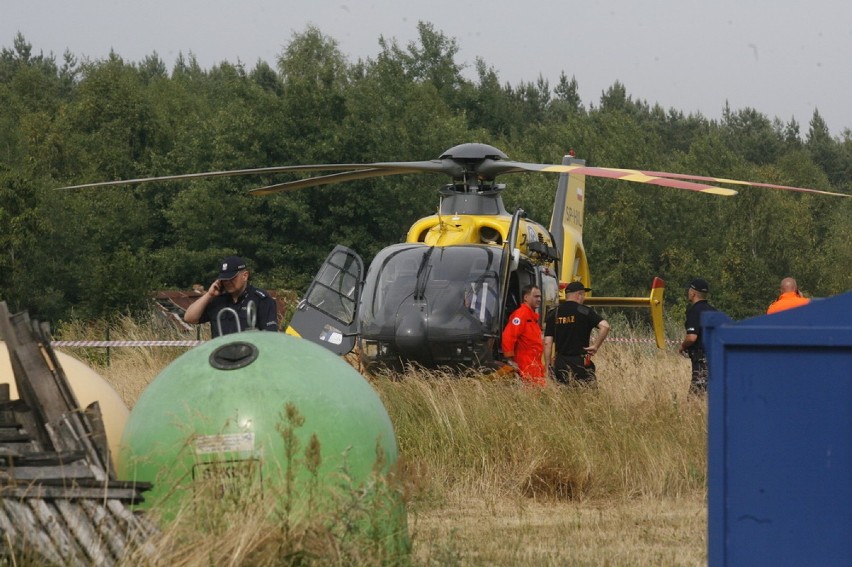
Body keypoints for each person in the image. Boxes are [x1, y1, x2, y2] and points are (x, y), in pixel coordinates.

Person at [184, 256, 279, 337]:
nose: (227, 282)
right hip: (221, 356)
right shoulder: (217, 300)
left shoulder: (261, 299)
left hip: (250, 356)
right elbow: (189, 318)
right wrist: (209, 295)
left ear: (245, 276)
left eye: (231, 278)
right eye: (224, 279)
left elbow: (270, 336)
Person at [544, 281, 611, 387]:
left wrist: (548, 366)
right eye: (583, 294)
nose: (583, 298)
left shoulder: (553, 313)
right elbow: (605, 326)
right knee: (587, 396)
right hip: (580, 362)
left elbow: (547, 343)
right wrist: (595, 346)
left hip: (560, 363)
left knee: (564, 398)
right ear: (578, 295)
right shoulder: (585, 311)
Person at [677, 278, 717, 397]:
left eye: (689, 290)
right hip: (715, 359)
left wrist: (682, 346)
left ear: (693, 293)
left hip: (701, 360)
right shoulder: (713, 311)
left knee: (695, 398)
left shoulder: (695, 311)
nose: (688, 292)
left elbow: (692, 337)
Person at [501, 284, 546, 387]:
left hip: (534, 363)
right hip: (525, 363)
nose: (539, 299)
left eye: (540, 296)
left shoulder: (531, 317)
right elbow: (508, 336)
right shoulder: (520, 315)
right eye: (536, 296)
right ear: (526, 297)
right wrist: (510, 360)